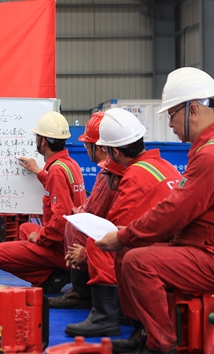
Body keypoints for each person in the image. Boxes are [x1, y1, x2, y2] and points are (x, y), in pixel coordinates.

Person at [96, 67, 214, 354]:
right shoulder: (210, 149)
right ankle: (145, 330)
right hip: (204, 248)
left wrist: (124, 235)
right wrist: (128, 237)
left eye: (171, 115)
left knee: (138, 261)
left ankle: (162, 345)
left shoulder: (212, 155)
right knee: (128, 251)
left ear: (192, 110)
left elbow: (174, 211)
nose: (170, 124)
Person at [65, 108, 181, 338]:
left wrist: (84, 254)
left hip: (162, 249)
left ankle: (105, 317)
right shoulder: (163, 165)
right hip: (175, 244)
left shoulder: (135, 175)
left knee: (100, 243)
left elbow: (114, 231)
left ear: (115, 151)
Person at [0, 111, 86, 294]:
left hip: (63, 246)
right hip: (72, 240)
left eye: (37, 137)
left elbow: (60, 220)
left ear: (44, 141)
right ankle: (56, 272)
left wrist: (40, 238)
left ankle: (53, 275)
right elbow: (59, 189)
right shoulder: (69, 164)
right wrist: (38, 171)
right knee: (25, 228)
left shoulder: (56, 171)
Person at [50, 112, 119, 309]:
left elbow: (91, 212)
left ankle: (81, 292)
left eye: (87, 145)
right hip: (130, 236)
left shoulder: (108, 173)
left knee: (75, 224)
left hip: (121, 241)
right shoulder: (71, 165)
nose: (86, 150)